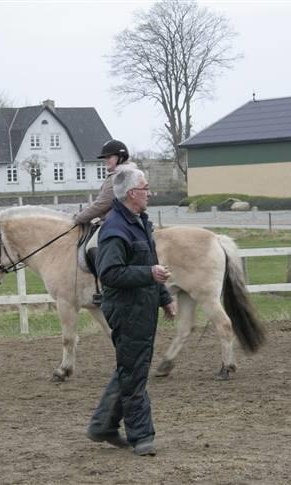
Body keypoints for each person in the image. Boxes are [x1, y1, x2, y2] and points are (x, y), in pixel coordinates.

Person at [85, 168, 177, 457]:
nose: (150, 192)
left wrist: (163, 296)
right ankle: (142, 437)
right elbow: (110, 273)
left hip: (143, 305)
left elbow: (150, 260)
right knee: (134, 371)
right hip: (127, 310)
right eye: (146, 187)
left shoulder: (138, 222)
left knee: (131, 367)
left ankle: (103, 424)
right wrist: (149, 274)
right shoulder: (114, 229)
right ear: (132, 193)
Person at [73, 139, 137, 225]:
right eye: (105, 158)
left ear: (121, 157)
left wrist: (78, 219)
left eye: (109, 157)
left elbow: (101, 205)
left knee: (94, 238)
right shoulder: (130, 174)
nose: (106, 160)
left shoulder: (118, 177)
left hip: (117, 224)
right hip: (126, 221)